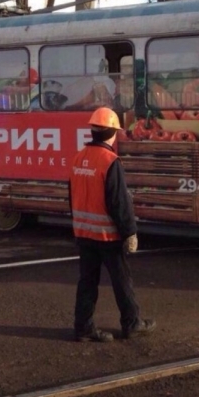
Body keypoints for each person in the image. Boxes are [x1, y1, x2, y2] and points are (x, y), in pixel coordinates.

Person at [69, 107, 156, 343]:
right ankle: (132, 323)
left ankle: (83, 328)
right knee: (121, 280)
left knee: (87, 282)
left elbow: (72, 195)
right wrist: (130, 232)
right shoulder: (110, 161)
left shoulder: (78, 157)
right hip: (107, 236)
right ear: (112, 133)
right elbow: (119, 201)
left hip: (84, 233)